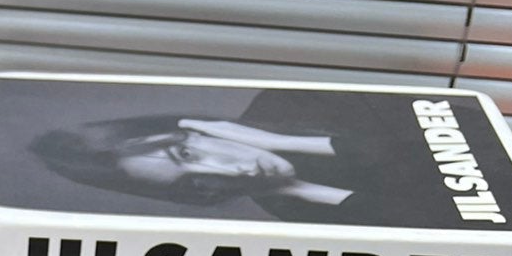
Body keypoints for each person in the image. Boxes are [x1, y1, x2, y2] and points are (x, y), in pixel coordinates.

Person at [28, 89, 424, 224]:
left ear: (194, 128)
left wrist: (280, 141)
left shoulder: (293, 103)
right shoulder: (291, 208)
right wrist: (300, 188)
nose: (235, 171)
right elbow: (423, 222)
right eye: (196, 181)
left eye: (186, 152)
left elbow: (416, 146)